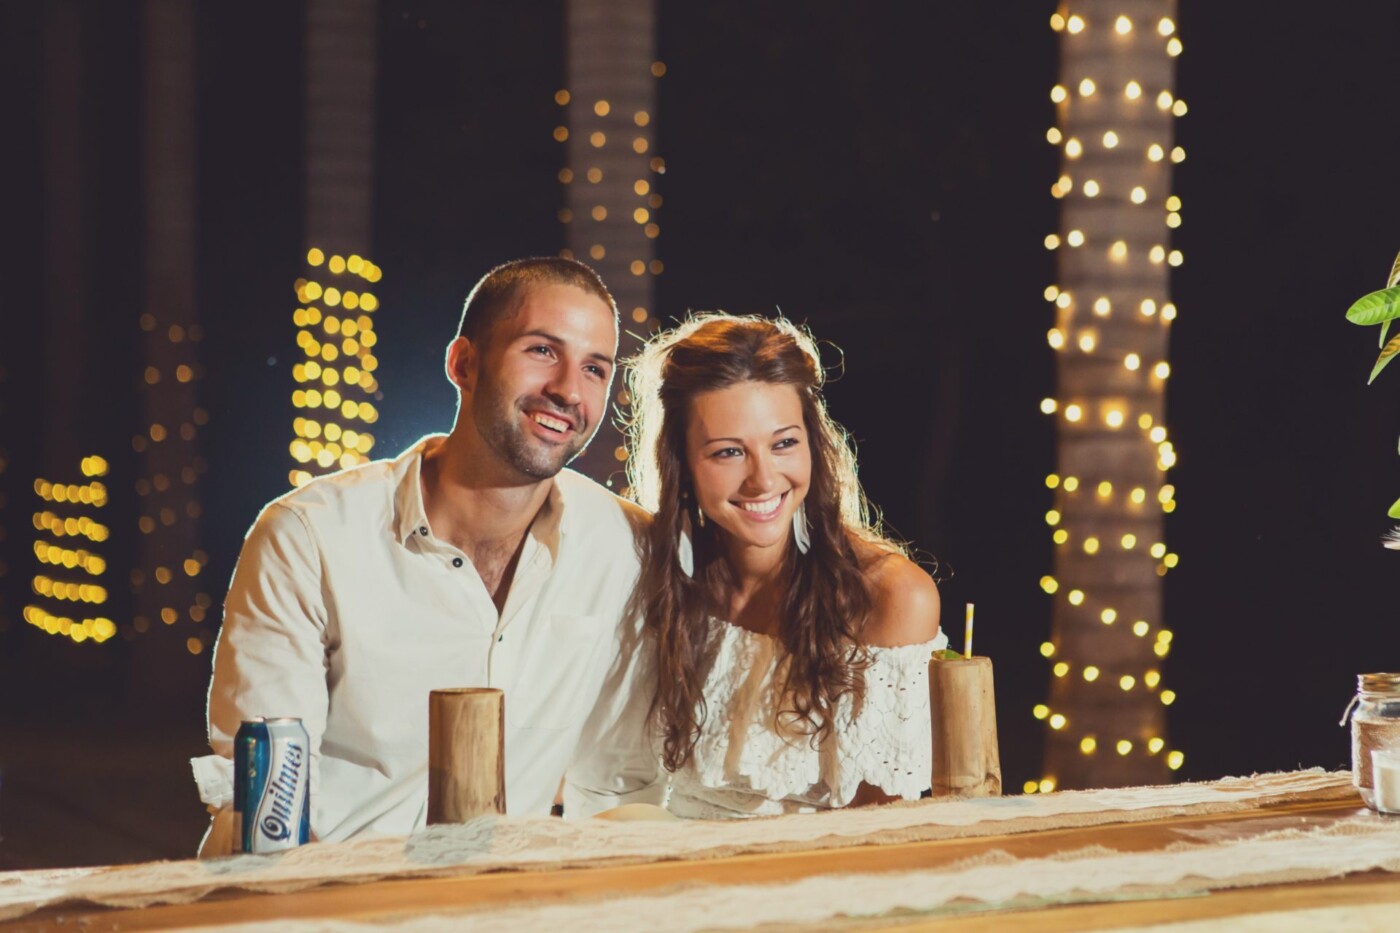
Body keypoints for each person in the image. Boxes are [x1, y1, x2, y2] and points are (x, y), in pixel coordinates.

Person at [192, 257, 659, 855]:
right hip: (332, 898)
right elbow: (262, 795)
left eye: (594, 368)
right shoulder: (310, 537)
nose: (569, 389)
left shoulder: (626, 548)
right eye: (542, 350)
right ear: (463, 363)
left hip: (512, 905)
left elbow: (625, 781)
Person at [624, 313, 945, 819]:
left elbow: (883, 835)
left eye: (783, 443)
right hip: (660, 865)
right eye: (729, 452)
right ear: (681, 465)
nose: (762, 479)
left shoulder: (891, 597)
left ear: (815, 444)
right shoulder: (653, 571)